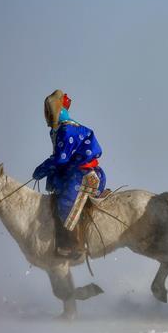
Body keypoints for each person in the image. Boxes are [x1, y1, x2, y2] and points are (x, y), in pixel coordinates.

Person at [32, 90, 106, 258]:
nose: (46, 114)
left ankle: (75, 245)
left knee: (66, 201)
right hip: (72, 172)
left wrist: (42, 170)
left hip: (85, 172)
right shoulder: (59, 130)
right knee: (55, 192)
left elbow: (60, 159)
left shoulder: (67, 130)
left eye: (48, 110)